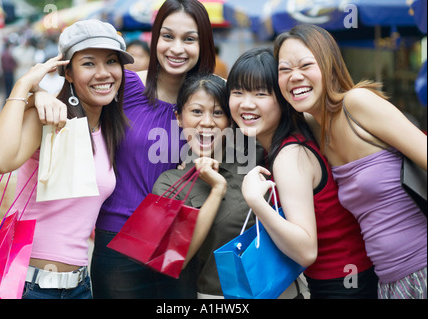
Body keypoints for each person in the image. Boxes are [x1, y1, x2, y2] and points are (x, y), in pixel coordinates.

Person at [274, 24, 427, 299]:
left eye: (305, 65)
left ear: (329, 65)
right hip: (390, 284)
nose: (294, 77)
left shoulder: (356, 104)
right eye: (284, 70)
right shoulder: (315, 130)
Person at [0, 19, 133, 299]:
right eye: (88, 63)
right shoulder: (50, 118)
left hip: (80, 287)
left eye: (111, 61)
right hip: (29, 287)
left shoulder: (110, 128)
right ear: (68, 73)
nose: (103, 73)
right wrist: (26, 88)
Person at [90, 0, 216, 298]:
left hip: (184, 241)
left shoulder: (219, 97)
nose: (176, 48)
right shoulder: (124, 85)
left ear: (204, 43)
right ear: (155, 38)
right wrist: (36, 96)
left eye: (189, 39)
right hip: (119, 239)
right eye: (168, 36)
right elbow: (72, 87)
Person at [228, 47, 378, 299]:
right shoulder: (289, 139)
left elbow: (307, 251)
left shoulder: (290, 155)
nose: (246, 103)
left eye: (261, 93)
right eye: (237, 92)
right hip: (348, 278)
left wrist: (255, 201)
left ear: (284, 99)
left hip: (343, 287)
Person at [153, 73, 291, 298]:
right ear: (179, 117)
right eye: (196, 111)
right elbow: (178, 257)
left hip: (285, 289)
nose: (207, 122)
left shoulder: (259, 154)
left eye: (218, 112)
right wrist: (217, 190)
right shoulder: (170, 183)